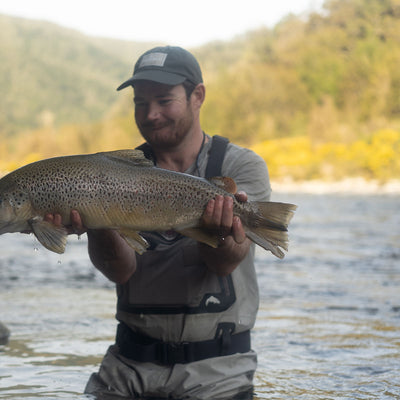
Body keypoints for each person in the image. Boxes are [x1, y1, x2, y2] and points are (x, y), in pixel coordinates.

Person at [44, 46, 271, 399]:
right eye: (140, 103)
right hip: (128, 367)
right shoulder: (114, 174)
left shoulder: (239, 168)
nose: (151, 114)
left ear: (198, 96)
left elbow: (224, 263)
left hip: (217, 371)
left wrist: (222, 230)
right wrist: (98, 219)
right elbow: (120, 271)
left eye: (164, 100)